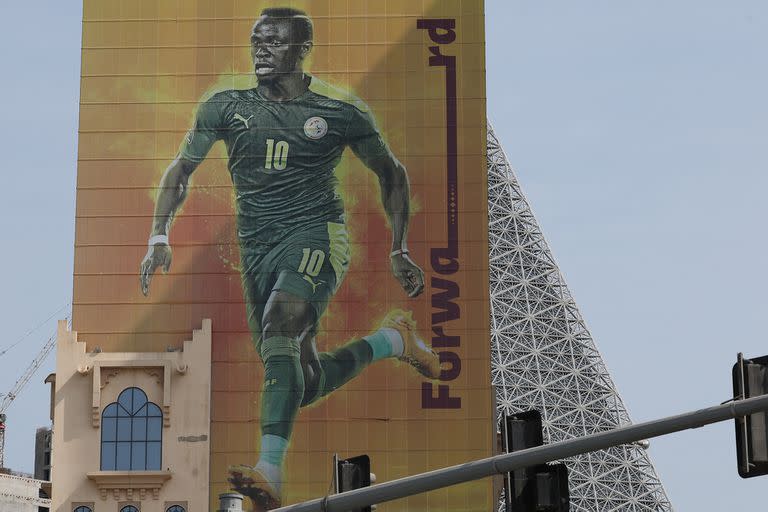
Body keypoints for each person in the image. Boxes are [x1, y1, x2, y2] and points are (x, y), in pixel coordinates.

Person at [139, 6, 441, 510]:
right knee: (299, 379)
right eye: (256, 39)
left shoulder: (340, 113)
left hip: (317, 235)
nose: (260, 49)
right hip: (257, 248)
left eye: (274, 41)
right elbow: (182, 167)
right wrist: (158, 236)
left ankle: (268, 471)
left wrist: (399, 247)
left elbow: (391, 173)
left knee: (281, 327)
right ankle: (393, 340)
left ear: (302, 49)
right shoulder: (225, 107)